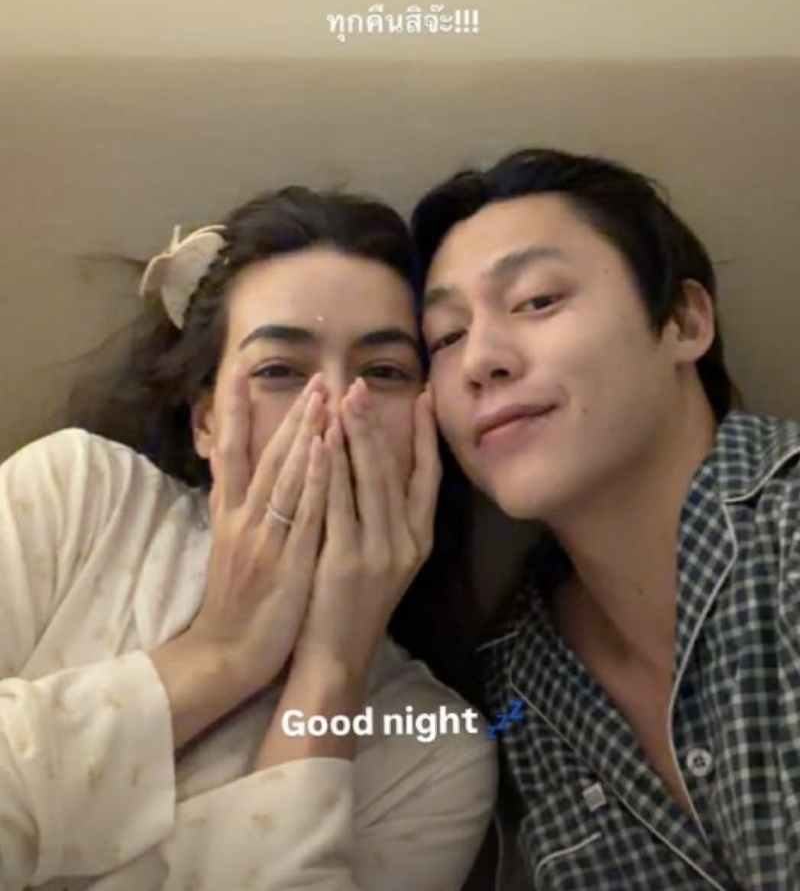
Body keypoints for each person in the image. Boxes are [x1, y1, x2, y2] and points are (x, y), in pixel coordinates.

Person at [0, 186, 496, 891]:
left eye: (383, 372)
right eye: (278, 372)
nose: (333, 409)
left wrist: (329, 676)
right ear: (207, 419)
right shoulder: (76, 493)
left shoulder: (435, 752)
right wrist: (220, 651)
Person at [411, 146, 800, 891]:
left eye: (537, 300)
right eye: (446, 337)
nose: (480, 360)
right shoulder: (514, 683)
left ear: (683, 321)